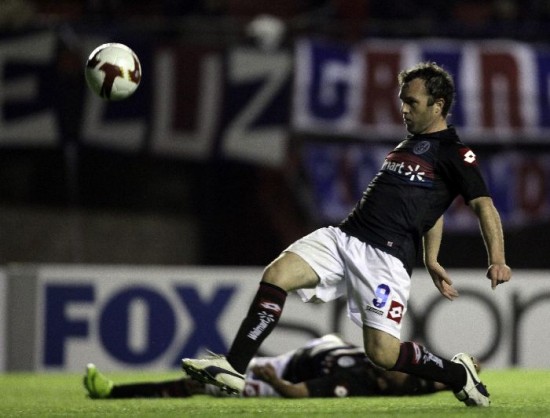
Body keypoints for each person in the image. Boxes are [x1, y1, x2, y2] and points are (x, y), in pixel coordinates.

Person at [181, 62, 512, 407]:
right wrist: (431, 258)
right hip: (344, 238)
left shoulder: (455, 153)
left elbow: (484, 206)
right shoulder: (411, 145)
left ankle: (459, 375)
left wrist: (498, 259)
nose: (403, 109)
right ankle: (234, 367)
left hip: (386, 258)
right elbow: (430, 209)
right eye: (402, 100)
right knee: (276, 274)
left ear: (438, 105)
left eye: (412, 102)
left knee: (383, 355)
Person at [83, 334, 460, 399]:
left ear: (383, 384)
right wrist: (463, 373)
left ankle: (113, 392)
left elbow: (298, 394)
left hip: (282, 374)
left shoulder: (355, 382)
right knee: (211, 370)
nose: (398, 365)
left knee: (200, 384)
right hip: (293, 357)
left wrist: (272, 380)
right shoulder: (414, 378)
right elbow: (445, 380)